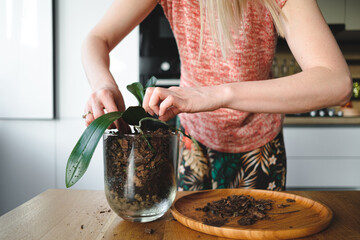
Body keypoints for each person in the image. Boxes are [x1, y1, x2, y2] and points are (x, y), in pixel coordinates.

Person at [82, 0, 352, 191]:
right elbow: (97, 39)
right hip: (192, 144)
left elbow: (336, 82)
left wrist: (218, 94)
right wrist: (102, 85)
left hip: (259, 149)